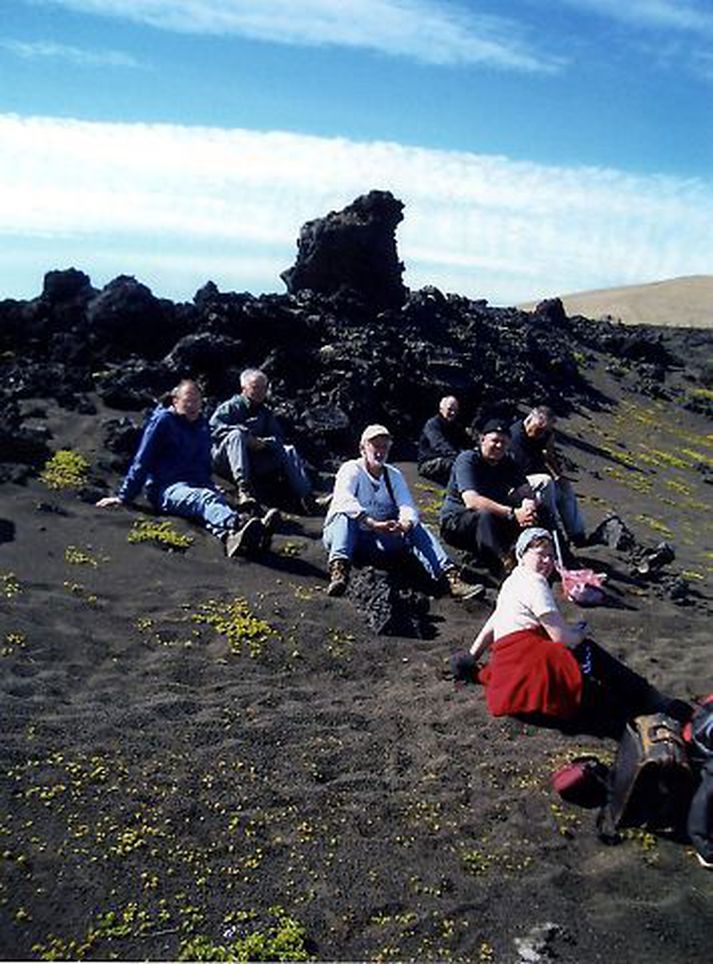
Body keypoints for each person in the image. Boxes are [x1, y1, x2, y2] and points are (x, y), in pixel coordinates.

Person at [451, 528, 691, 736]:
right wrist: (579, 633)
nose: (546, 561)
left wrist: (471, 658)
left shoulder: (510, 583)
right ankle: (653, 700)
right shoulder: (534, 582)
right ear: (521, 555)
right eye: (540, 554)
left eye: (551, 556)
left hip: (507, 680)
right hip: (528, 673)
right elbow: (561, 639)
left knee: (583, 659)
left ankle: (643, 698)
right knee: (589, 653)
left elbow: (493, 623)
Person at [96, 380, 278, 557]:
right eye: (187, 401)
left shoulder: (201, 425)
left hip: (195, 484)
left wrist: (209, 485)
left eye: (196, 401)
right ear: (176, 401)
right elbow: (142, 460)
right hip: (165, 489)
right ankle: (239, 523)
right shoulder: (163, 422)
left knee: (210, 502)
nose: (192, 405)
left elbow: (204, 464)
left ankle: (232, 538)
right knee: (205, 500)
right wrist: (124, 497)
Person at [322, 424, 483, 600]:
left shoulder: (393, 475)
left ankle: (450, 577)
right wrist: (372, 523)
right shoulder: (351, 469)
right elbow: (344, 499)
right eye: (375, 445)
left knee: (416, 527)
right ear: (363, 448)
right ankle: (339, 571)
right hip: (346, 536)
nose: (380, 451)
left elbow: (407, 507)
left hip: (376, 541)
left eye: (384, 446)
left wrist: (404, 524)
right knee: (344, 514)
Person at [439, 418, 539, 575]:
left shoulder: (507, 462)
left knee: (539, 512)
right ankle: (500, 565)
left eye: (504, 443)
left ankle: (547, 556)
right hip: (457, 522)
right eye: (495, 441)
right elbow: (472, 501)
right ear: (482, 439)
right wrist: (512, 513)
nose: (499, 446)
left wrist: (528, 505)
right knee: (484, 516)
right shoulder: (467, 459)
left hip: (494, 518)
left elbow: (526, 490)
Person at [209, 368, 314, 512]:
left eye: (264, 387)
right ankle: (244, 490)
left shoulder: (265, 412)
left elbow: (278, 438)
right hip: (225, 461)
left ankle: (307, 496)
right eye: (255, 387)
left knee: (288, 450)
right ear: (243, 388)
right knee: (236, 435)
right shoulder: (229, 407)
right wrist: (246, 437)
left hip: (253, 461)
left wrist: (263, 443)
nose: (260, 391)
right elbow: (213, 429)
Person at [509, 405, 586, 546]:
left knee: (564, 485)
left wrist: (559, 475)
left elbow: (549, 455)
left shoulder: (545, 436)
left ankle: (577, 534)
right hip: (515, 487)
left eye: (547, 431)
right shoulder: (514, 437)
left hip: (535, 482)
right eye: (540, 429)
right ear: (529, 420)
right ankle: (552, 526)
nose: (542, 434)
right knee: (545, 481)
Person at [417, 395, 470, 485]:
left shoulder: (455, 426)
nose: (453, 413)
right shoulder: (432, 425)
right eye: (450, 409)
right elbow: (439, 444)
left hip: (450, 458)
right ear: (441, 409)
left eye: (455, 411)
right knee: (455, 464)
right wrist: (458, 457)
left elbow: (467, 443)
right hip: (429, 462)